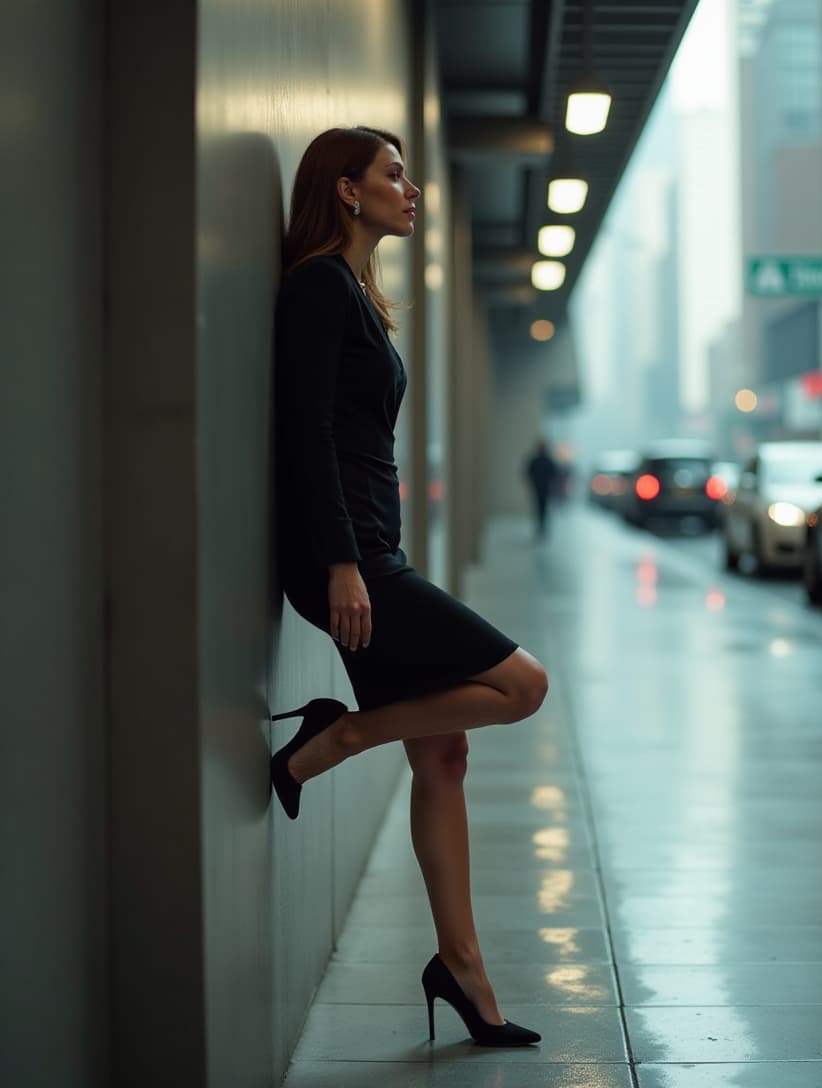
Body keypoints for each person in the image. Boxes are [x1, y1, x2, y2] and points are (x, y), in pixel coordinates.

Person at [271, 126, 548, 1047]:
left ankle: (462, 970)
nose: (411, 186)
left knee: (444, 757)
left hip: (372, 550)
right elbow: (305, 431)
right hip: (349, 560)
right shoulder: (318, 283)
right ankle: (335, 735)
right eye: (393, 173)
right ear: (346, 191)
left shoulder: (355, 293)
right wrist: (344, 562)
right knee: (523, 686)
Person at [524, 439, 558, 539]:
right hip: (539, 488)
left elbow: (554, 474)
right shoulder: (538, 460)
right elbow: (529, 473)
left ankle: (542, 527)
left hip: (543, 488)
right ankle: (540, 527)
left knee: (542, 508)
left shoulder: (545, 460)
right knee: (540, 508)